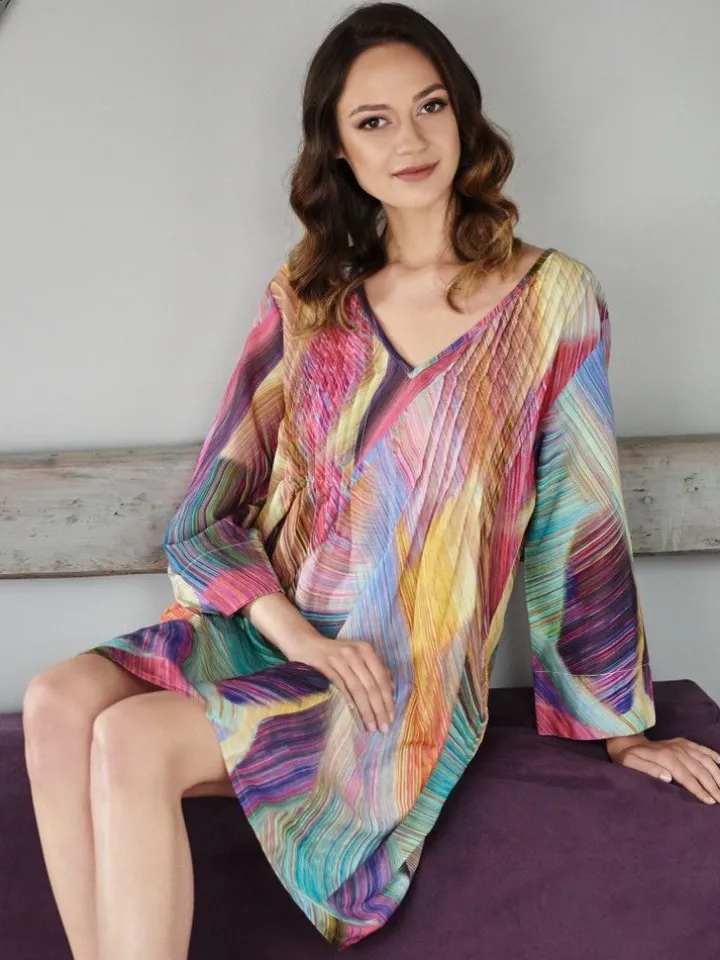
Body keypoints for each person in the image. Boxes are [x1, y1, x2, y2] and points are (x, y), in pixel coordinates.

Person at [22, 2, 720, 957]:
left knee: (132, 740)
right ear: (340, 151)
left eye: (430, 106)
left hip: (394, 679)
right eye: (374, 121)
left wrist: (622, 730)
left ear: (463, 114)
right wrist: (294, 635)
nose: (411, 140)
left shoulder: (551, 300)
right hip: (281, 634)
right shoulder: (310, 302)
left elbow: (578, 522)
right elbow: (206, 515)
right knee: (58, 700)